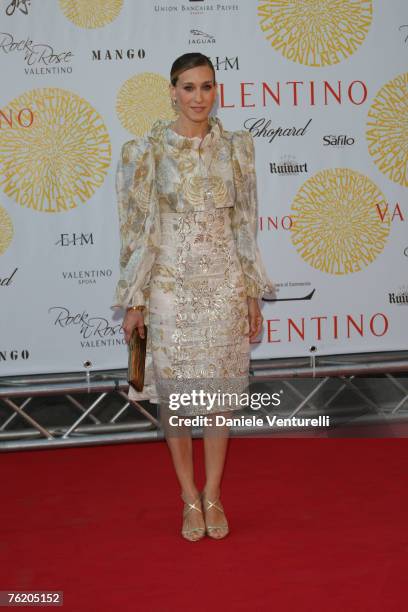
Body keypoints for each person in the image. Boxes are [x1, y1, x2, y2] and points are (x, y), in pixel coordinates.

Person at [112, 53, 274, 541]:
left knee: (218, 402)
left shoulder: (239, 147)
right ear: (172, 91)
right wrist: (135, 299)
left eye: (207, 87)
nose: (199, 97)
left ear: (216, 89)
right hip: (169, 288)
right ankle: (188, 498)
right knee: (179, 403)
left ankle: (215, 495)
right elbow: (136, 231)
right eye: (188, 88)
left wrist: (250, 291)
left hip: (224, 283)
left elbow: (245, 223)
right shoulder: (146, 151)